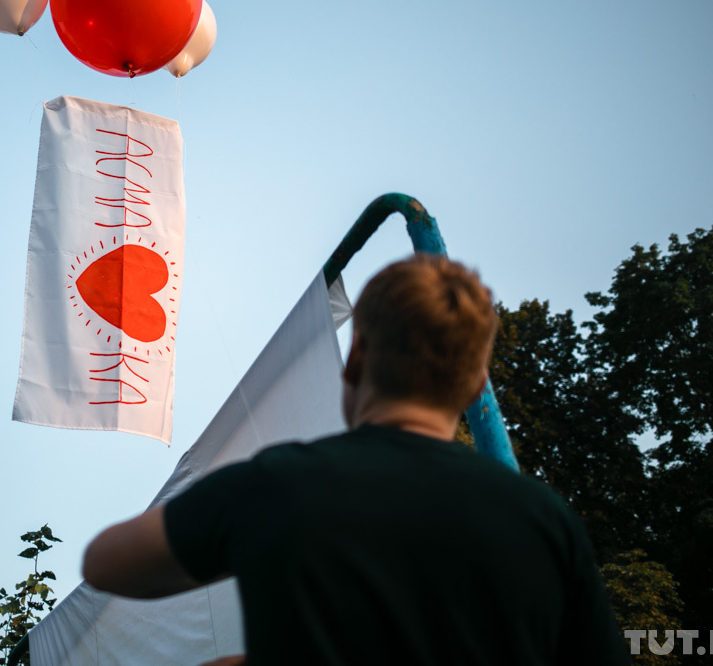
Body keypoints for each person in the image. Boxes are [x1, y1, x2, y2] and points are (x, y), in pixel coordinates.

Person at [82, 255, 629, 665]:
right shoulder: (546, 521)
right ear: (476, 386)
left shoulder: (278, 485)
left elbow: (105, 563)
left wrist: (250, 536)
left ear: (357, 358)